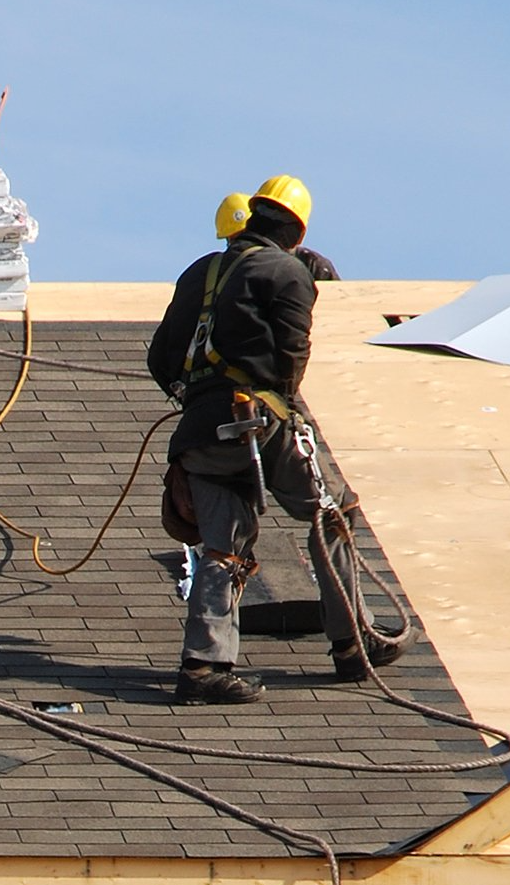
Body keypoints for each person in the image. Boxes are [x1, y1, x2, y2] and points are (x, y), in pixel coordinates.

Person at [147, 175, 400, 704]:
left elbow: (161, 358)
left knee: (223, 548)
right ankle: (354, 643)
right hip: (260, 423)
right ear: (297, 231)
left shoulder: (200, 271)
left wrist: (194, 393)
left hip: (201, 433)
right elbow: (291, 357)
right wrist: (282, 405)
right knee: (332, 514)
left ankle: (203, 667)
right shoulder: (286, 271)